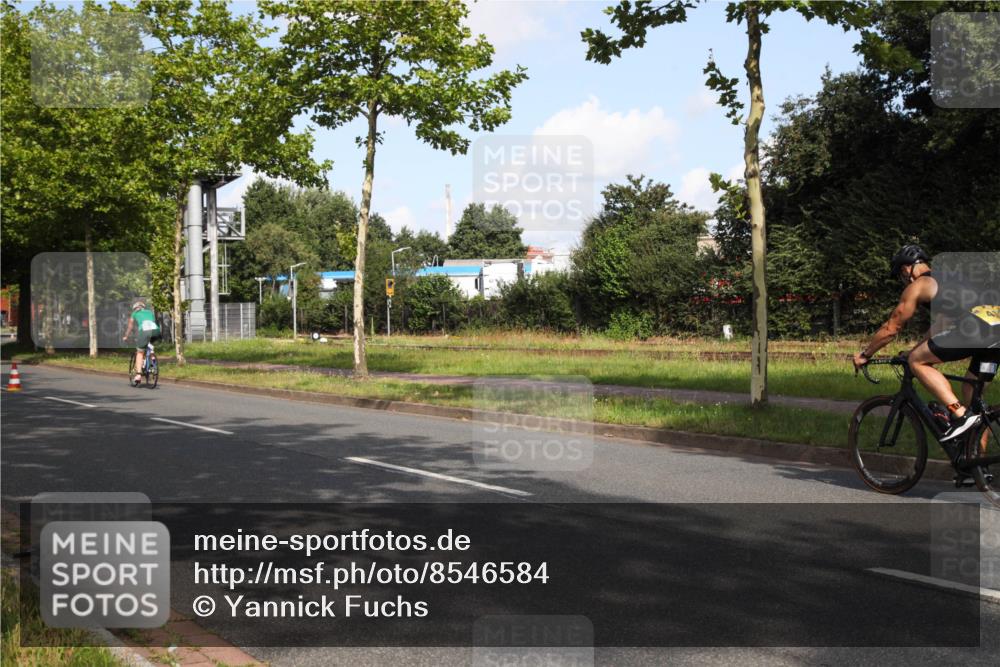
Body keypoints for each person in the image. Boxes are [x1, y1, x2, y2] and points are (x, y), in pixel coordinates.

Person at [853, 245, 1000, 442]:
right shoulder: (950, 278)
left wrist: (865, 355)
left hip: (977, 329)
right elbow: (941, 324)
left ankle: (959, 414)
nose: (903, 280)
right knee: (973, 400)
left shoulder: (920, 284)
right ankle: (975, 459)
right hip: (995, 334)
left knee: (916, 361)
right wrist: (914, 349)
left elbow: (892, 328)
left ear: (906, 269)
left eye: (900, 275)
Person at [123, 300, 160, 386]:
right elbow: (152, 321)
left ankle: (138, 375)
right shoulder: (149, 312)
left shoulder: (134, 313)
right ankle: (152, 362)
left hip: (144, 331)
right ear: (143, 307)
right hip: (156, 330)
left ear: (135, 308)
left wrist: (126, 336)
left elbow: (130, 326)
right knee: (150, 347)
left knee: (140, 352)